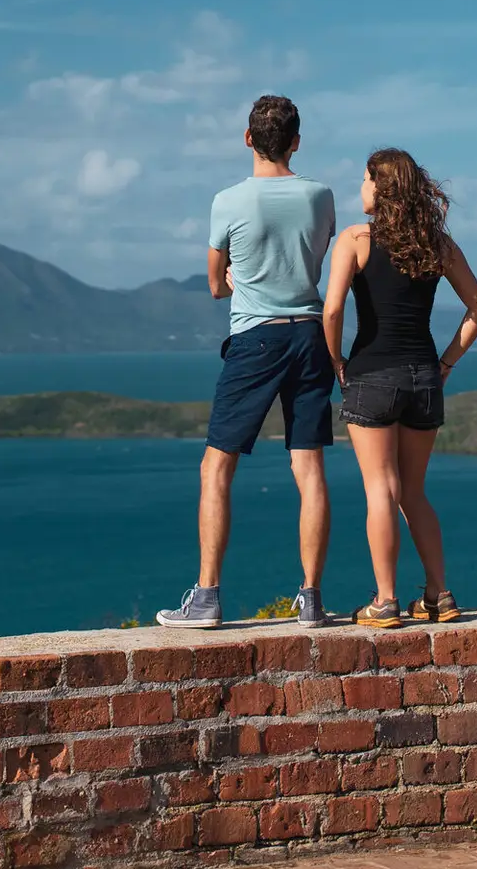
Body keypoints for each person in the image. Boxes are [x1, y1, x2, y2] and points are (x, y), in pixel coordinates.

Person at [157, 95, 339, 630]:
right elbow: (312, 258)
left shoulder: (228, 201)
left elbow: (216, 283)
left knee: (217, 466)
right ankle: (311, 598)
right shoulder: (321, 197)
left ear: (246, 138)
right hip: (308, 335)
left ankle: (208, 597)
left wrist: (236, 280)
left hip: (255, 338)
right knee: (309, 468)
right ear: (296, 141)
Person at [321, 147, 477, 629]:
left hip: (372, 376)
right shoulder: (437, 243)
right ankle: (440, 594)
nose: (360, 189)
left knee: (381, 488)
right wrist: (446, 363)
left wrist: (336, 361)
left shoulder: (356, 239)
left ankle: (386, 600)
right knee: (413, 491)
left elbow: (331, 311)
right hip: (423, 378)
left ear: (380, 185)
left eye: (364, 179)